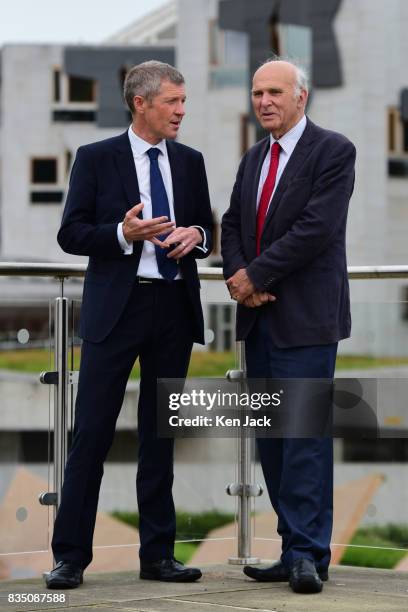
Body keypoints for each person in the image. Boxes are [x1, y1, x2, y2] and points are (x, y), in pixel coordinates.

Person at [45, 60, 213, 589]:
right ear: (140, 103)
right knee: (91, 434)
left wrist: (198, 238)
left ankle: (158, 556)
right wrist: (123, 232)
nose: (182, 111)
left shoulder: (190, 161)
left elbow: (208, 227)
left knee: (159, 438)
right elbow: (71, 233)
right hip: (115, 312)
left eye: (184, 102)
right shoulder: (96, 159)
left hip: (173, 308)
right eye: (173, 102)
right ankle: (70, 557)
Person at [221, 59, 355, 594]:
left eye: (274, 91)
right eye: (256, 92)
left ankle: (308, 554)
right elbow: (231, 222)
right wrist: (240, 280)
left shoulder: (334, 151)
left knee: (304, 439)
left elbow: (315, 229)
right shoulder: (254, 157)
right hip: (260, 319)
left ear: (303, 96)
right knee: (272, 442)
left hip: (307, 320)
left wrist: (255, 273)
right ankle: (291, 543)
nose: (264, 101)